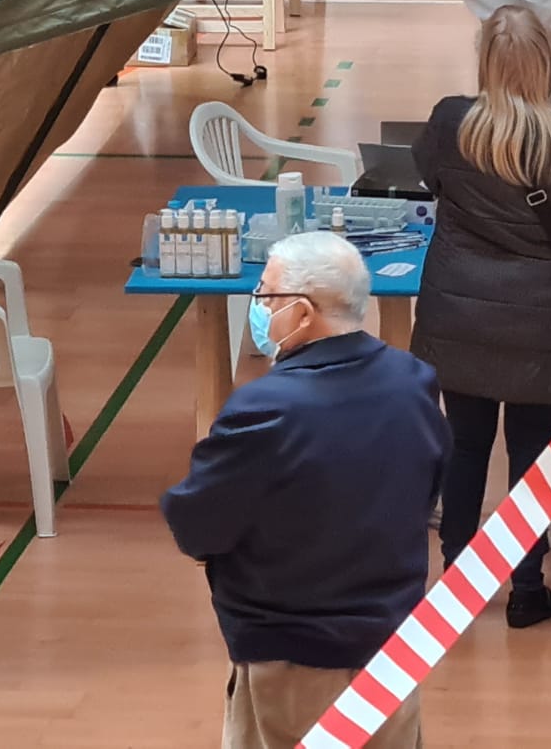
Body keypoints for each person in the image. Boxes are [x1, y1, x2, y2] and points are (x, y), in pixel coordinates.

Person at [160, 232, 448, 749]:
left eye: (266, 295)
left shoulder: (265, 408)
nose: (258, 305)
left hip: (295, 654)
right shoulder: (413, 381)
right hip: (392, 648)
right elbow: (427, 489)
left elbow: (198, 523)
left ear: (303, 311)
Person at [410, 4, 551, 627]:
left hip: (456, 317)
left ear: (485, 60)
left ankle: (455, 586)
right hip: (541, 324)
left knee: (463, 448)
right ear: (547, 61)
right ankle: (527, 589)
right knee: (533, 457)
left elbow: (428, 176)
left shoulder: (451, 121)